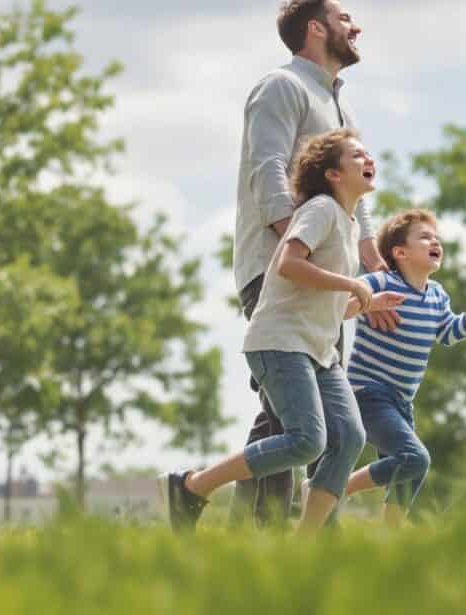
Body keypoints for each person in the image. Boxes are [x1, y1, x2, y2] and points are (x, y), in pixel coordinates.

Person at [168, 129, 402, 533]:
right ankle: (191, 486)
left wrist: (363, 303)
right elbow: (288, 264)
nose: (369, 161)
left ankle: (306, 543)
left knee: (347, 437)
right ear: (332, 174)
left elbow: (318, 303)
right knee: (306, 440)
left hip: (317, 350)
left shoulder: (346, 225)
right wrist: (352, 284)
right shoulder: (320, 210)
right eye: (358, 156)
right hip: (279, 344)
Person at [231, 0, 393, 525]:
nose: (356, 27)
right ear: (316, 29)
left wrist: (371, 263)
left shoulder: (336, 101)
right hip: (280, 269)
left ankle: (280, 531)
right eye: (345, 18)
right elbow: (268, 170)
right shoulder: (282, 86)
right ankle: (265, 531)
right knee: (292, 414)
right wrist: (294, 253)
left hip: (324, 277)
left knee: (303, 415)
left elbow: (351, 200)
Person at [337, 210, 466, 522]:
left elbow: (449, 332)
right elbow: (337, 307)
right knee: (415, 458)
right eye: (425, 237)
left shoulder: (437, 295)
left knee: (409, 471)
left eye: (437, 238)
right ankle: (336, 489)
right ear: (399, 252)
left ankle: (392, 533)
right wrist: (367, 302)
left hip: (402, 401)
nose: (435, 242)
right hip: (368, 393)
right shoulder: (380, 281)